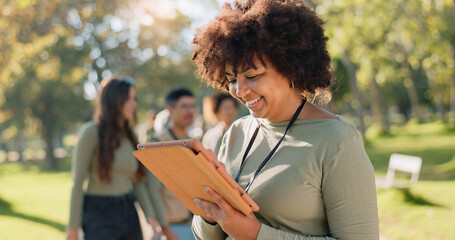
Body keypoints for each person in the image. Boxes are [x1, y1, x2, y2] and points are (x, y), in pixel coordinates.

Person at [190, 0, 379, 239]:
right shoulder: (238, 131)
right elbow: (205, 236)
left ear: (291, 68)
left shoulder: (338, 140)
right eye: (232, 79)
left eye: (253, 75)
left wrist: (256, 234)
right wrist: (210, 213)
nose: (240, 90)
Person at [66, 77, 171, 240]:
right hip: (99, 213)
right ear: (114, 101)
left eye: (134, 99)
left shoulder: (130, 136)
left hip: (129, 210)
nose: (134, 104)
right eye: (129, 99)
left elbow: (137, 181)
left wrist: (150, 216)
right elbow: (77, 182)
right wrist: (72, 228)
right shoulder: (91, 133)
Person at [147, 87, 198, 240]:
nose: (190, 111)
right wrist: (165, 229)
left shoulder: (194, 143)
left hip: (195, 225)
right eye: (184, 106)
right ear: (170, 109)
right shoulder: (157, 143)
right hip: (172, 228)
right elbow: (153, 190)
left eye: (193, 106)